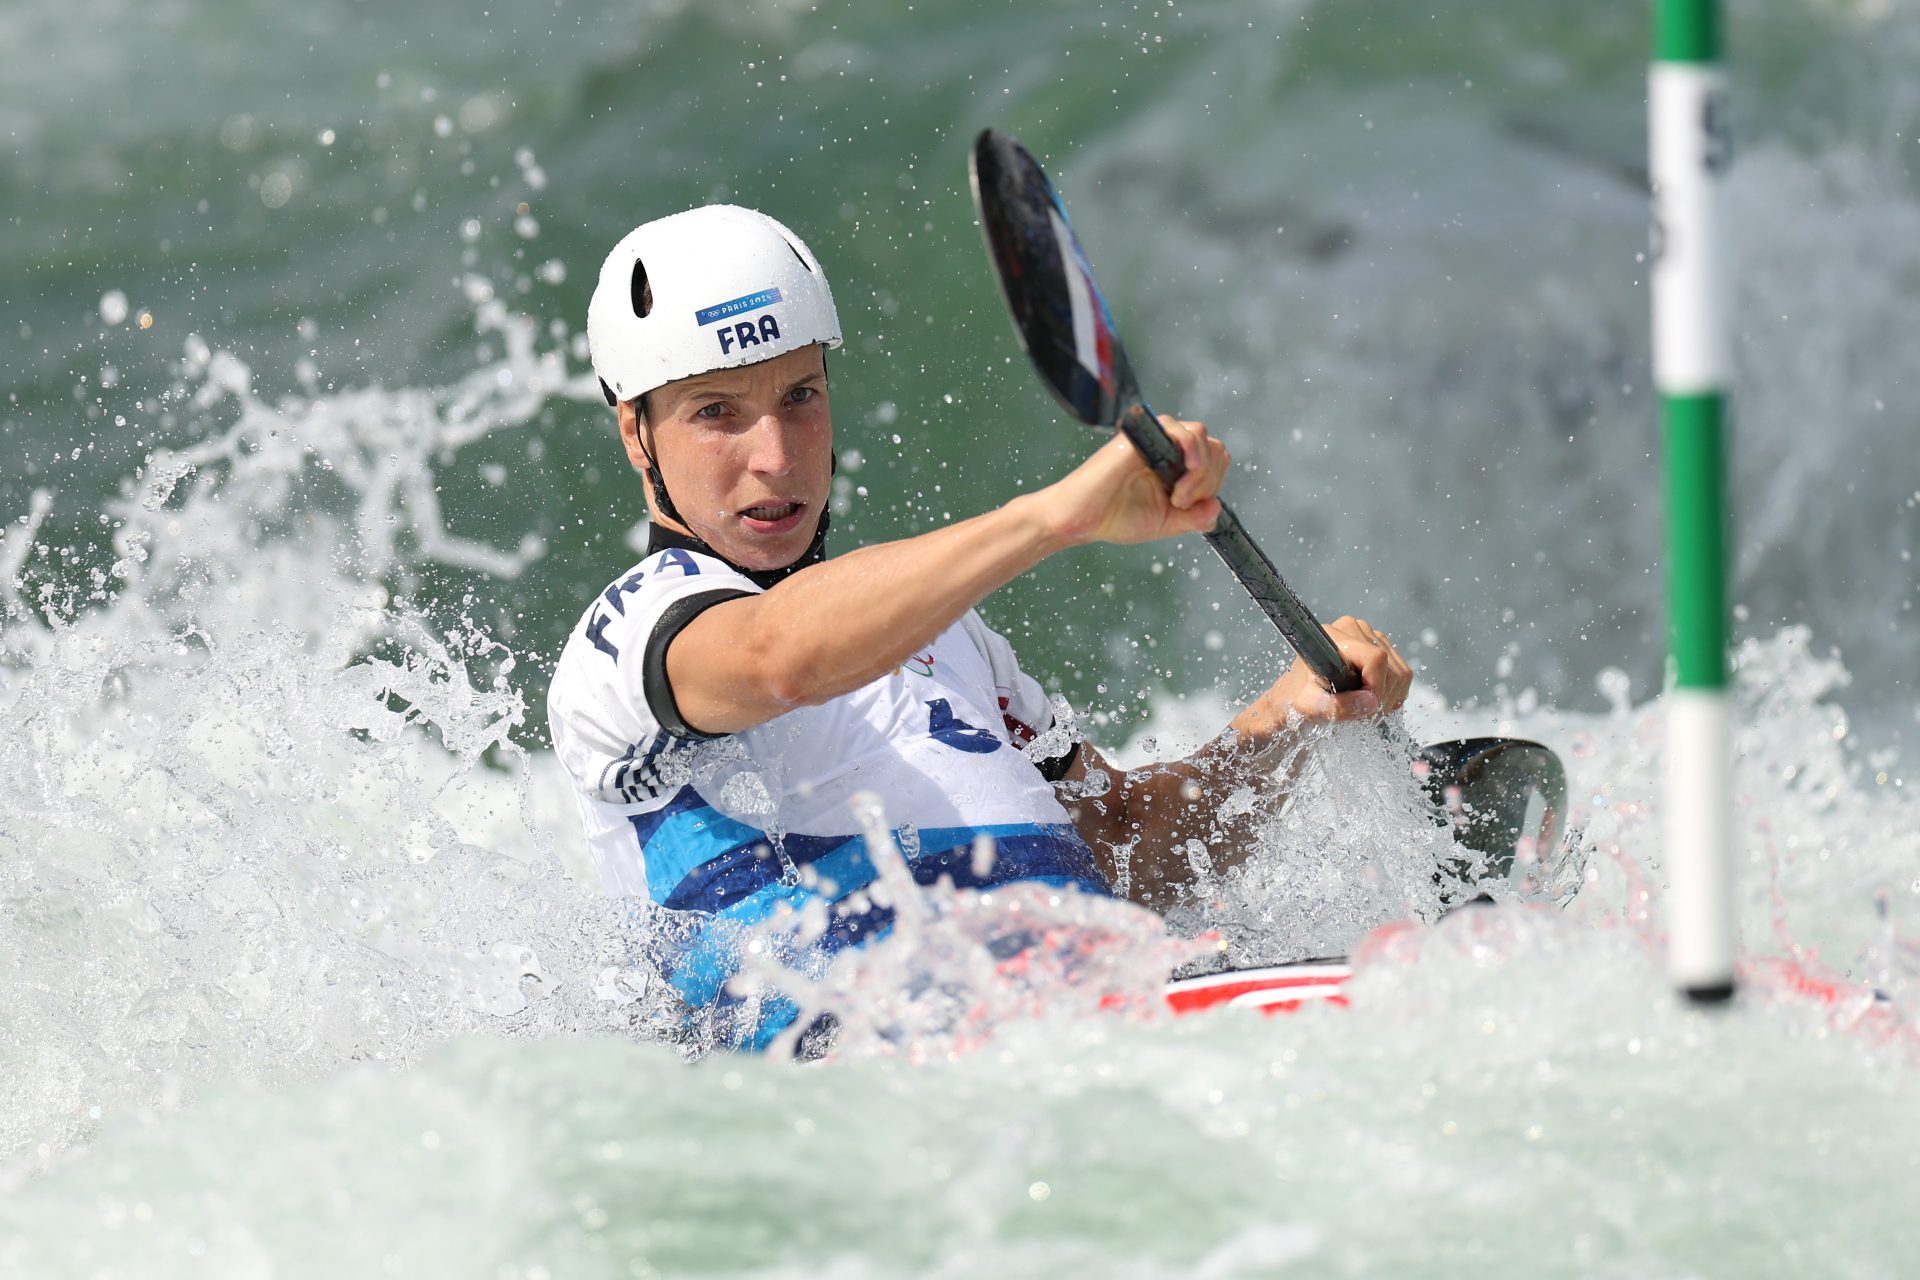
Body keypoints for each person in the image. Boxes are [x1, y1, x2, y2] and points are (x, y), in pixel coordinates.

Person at [546, 205, 1412, 1051]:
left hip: (1087, 1026)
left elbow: (1131, 846)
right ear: (637, 433)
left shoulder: (942, 632)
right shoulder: (623, 642)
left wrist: (1289, 716)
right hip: (863, 1091)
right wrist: (1056, 518)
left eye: (800, 396)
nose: (775, 454)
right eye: (716, 413)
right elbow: (779, 657)